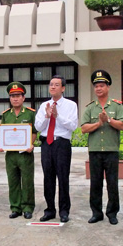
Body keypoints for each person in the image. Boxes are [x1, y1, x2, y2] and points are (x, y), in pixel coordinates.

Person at [81, 70, 123, 225]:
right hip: (95, 151)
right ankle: (96, 213)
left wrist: (108, 120)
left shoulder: (117, 106)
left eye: (101, 85)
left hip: (111, 150)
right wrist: (98, 124)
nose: (98, 89)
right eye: (96, 86)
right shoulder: (90, 108)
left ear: (108, 87)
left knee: (112, 184)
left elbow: (122, 125)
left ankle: (112, 213)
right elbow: (84, 128)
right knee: (95, 183)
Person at [35, 75, 78, 223]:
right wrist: (47, 116)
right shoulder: (43, 105)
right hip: (47, 144)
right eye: (51, 84)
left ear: (63, 88)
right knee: (48, 178)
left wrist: (57, 116)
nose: (53, 87)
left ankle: (64, 211)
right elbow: (38, 127)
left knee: (63, 178)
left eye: (56, 85)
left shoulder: (71, 105)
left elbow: (73, 126)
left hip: (62, 144)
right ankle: (50, 210)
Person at [0, 82, 37, 219]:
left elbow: (34, 132)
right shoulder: (6, 115)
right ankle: (15, 207)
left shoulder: (31, 113)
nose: (15, 98)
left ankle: (27, 207)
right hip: (11, 155)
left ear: (23, 98)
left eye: (18, 96)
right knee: (13, 181)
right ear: (10, 98)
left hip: (25, 154)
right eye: (12, 96)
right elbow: (3, 133)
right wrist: (0, 145)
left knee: (27, 181)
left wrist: (30, 144)